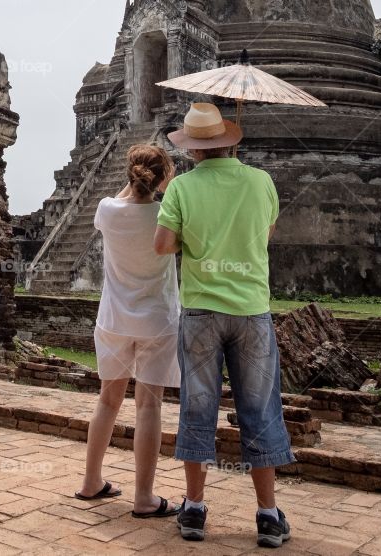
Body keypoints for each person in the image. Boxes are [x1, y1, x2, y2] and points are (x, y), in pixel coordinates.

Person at [155, 102, 294, 548]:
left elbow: (163, 246)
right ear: (229, 140)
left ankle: (193, 509)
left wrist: (196, 239)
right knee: (259, 410)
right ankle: (268, 515)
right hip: (252, 310)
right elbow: (265, 235)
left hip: (200, 311)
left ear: (194, 149)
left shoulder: (182, 188)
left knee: (199, 408)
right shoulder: (262, 181)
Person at [74, 144, 182, 518]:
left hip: (114, 320)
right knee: (148, 404)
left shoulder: (107, 210)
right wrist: (169, 187)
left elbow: (122, 197)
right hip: (157, 320)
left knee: (108, 400)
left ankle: (91, 480)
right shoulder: (168, 214)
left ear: (130, 174)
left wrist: (138, 178)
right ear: (163, 177)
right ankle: (144, 497)